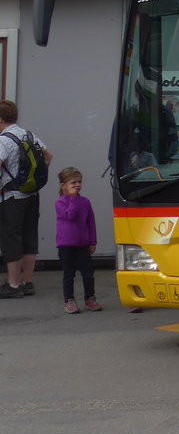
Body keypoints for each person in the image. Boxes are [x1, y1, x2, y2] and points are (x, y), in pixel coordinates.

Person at [0, 99, 52, 299]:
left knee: (11, 239)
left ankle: (13, 286)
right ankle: (28, 282)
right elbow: (48, 155)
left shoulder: (4, 139)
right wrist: (31, 180)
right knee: (29, 237)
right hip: (31, 194)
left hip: (11, 197)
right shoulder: (28, 135)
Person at [55, 167, 99, 313]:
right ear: (63, 186)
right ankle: (69, 300)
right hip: (66, 244)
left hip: (83, 244)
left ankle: (90, 298)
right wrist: (72, 199)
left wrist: (92, 241)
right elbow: (70, 216)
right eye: (73, 183)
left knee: (88, 272)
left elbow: (91, 222)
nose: (77, 185)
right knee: (69, 273)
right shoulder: (60, 202)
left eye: (79, 182)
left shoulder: (85, 201)